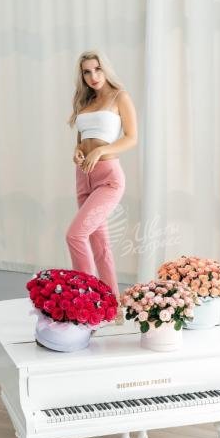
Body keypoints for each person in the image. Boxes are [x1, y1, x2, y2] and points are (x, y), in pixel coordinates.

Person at [66, 50, 138, 321]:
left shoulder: (120, 97)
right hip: (83, 176)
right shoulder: (85, 101)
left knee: (75, 235)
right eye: (87, 72)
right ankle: (113, 309)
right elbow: (82, 139)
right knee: (100, 245)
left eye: (97, 69)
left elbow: (131, 137)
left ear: (105, 69)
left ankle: (86, 302)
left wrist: (100, 151)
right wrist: (78, 152)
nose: (93, 76)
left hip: (108, 177)